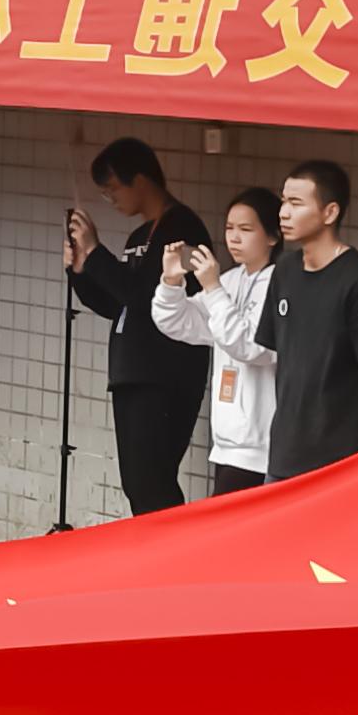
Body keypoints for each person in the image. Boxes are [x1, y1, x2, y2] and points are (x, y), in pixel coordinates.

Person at [63, 136, 212, 514]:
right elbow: (118, 304)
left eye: (112, 189)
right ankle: (156, 562)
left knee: (153, 480)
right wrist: (81, 270)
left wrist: (96, 252)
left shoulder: (181, 229)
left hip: (165, 374)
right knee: (137, 481)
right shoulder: (137, 236)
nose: (110, 200)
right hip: (133, 372)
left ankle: (171, 563)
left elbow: (148, 299)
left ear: (140, 180)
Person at [256, 156, 358, 482]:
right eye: (283, 201)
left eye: (296, 203)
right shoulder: (284, 271)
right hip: (283, 458)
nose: (283, 212)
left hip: (339, 465)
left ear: (330, 212)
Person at [150, 185, 283, 494]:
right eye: (229, 228)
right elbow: (178, 322)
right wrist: (171, 282)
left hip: (263, 444)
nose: (234, 237)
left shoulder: (280, 283)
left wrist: (212, 289)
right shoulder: (230, 279)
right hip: (227, 440)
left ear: (273, 236)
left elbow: (252, 347)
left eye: (246, 229)